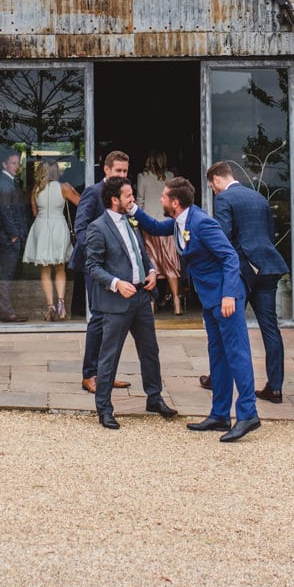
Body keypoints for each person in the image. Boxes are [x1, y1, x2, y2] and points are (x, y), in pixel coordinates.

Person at [135, 176, 259, 442]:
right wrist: (132, 208)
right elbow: (155, 227)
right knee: (218, 357)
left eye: (164, 196)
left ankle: (248, 414)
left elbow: (229, 256)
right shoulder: (181, 222)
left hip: (226, 299)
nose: (160, 199)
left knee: (237, 355)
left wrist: (229, 296)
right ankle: (220, 414)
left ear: (175, 202)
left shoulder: (202, 223)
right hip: (209, 299)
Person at [83, 175, 179, 429]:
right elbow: (92, 266)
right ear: (114, 200)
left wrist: (150, 272)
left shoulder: (132, 221)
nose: (132, 199)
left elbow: (141, 253)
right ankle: (104, 408)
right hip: (116, 302)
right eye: (128, 196)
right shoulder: (97, 227)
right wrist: (116, 283)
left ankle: (154, 397)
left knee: (150, 351)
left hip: (141, 297)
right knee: (109, 356)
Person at [208, 161, 289, 402]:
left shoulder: (224, 199)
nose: (213, 190)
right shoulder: (259, 198)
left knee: (227, 324)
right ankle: (275, 387)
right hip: (268, 266)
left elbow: (222, 237)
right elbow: (269, 233)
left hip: (243, 270)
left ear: (218, 180)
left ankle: (217, 379)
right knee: (270, 328)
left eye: (212, 186)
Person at [70, 151, 133, 394]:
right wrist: (99, 253)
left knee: (114, 321)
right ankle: (90, 375)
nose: (122, 175)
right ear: (106, 170)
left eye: (125, 171)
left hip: (118, 269)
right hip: (94, 266)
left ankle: (106, 374)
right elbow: (81, 227)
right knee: (98, 319)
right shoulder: (93, 192)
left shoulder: (125, 195)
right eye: (118, 171)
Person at [24, 160, 79, 320]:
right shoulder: (64, 188)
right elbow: (81, 203)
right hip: (58, 226)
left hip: (40, 227)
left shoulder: (35, 190)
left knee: (45, 269)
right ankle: (61, 305)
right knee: (60, 268)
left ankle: (50, 306)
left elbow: (34, 212)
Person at [133, 152, 183, 315]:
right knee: (170, 263)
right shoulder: (170, 176)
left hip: (149, 223)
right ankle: (177, 303)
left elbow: (139, 200)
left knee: (151, 262)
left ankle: (152, 304)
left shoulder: (142, 176)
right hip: (167, 223)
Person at [0, 150, 30, 323]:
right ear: (4, 164)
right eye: (13, 163)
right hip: (8, 238)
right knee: (5, 275)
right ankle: (6, 312)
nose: (17, 166)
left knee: (6, 274)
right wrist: (14, 235)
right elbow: (5, 211)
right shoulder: (5, 184)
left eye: (18, 163)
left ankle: (2, 309)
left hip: (9, 237)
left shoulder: (9, 182)